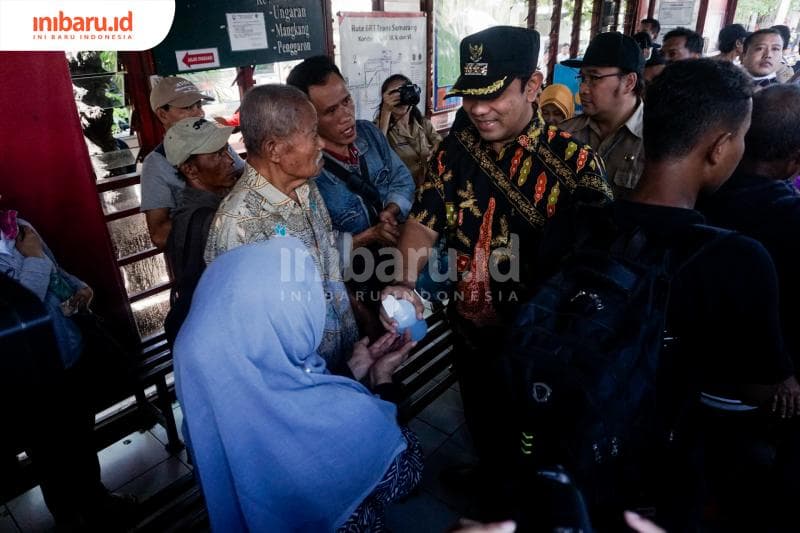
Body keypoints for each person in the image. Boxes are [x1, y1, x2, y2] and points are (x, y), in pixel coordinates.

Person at [381, 25, 611, 518]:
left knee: (534, 436)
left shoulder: (576, 165)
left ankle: (527, 504)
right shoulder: (455, 150)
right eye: (470, 97)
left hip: (538, 344)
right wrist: (403, 279)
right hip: (470, 329)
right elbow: (424, 221)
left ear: (532, 85)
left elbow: (597, 267)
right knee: (481, 414)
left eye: (493, 96)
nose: (478, 109)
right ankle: (491, 473)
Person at [615, 59, 797, 531]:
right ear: (719, 148)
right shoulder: (739, 258)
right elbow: (760, 388)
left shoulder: (578, 220)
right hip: (669, 458)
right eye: (740, 137)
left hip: (588, 440)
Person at [174, 237, 422, 531]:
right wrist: (382, 380)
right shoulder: (333, 419)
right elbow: (407, 470)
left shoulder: (204, 415)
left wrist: (348, 371)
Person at [204, 84, 359, 370]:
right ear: (274, 149)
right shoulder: (238, 225)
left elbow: (329, 271)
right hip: (300, 382)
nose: (322, 144)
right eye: (313, 134)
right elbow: (252, 338)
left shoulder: (307, 189)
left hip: (345, 361)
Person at [0, 209, 136, 529]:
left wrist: (80, 289)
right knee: (49, 456)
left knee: (81, 439)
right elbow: (16, 311)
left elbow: (56, 275)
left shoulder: (19, 227)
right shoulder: (24, 242)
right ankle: (69, 518)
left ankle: (97, 502)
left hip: (69, 355)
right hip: (28, 378)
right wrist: (33, 259)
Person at [287, 56, 416, 249]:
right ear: (307, 118)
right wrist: (368, 237)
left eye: (346, 100)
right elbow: (314, 251)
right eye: (331, 111)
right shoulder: (305, 172)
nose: (346, 115)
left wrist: (392, 209)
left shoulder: (370, 134)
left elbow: (402, 179)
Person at [140, 76, 244, 249]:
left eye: (199, 105)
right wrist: (217, 221)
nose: (199, 113)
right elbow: (159, 235)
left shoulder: (216, 140)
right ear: (162, 114)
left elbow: (245, 177)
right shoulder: (155, 164)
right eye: (188, 107)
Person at [161, 117, 238, 344]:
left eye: (226, 150)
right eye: (217, 155)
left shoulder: (196, 205)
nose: (230, 160)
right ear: (190, 169)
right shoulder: (209, 220)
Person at [562, 32, 645, 196]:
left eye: (594, 78)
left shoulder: (658, 143)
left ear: (629, 82)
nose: (583, 89)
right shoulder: (565, 134)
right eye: (583, 78)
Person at [375, 73, 443, 187]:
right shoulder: (379, 128)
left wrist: (435, 150)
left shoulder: (422, 123)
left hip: (427, 188)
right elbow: (377, 151)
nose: (399, 98)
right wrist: (386, 111)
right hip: (402, 193)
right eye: (394, 94)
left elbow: (438, 140)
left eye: (403, 92)